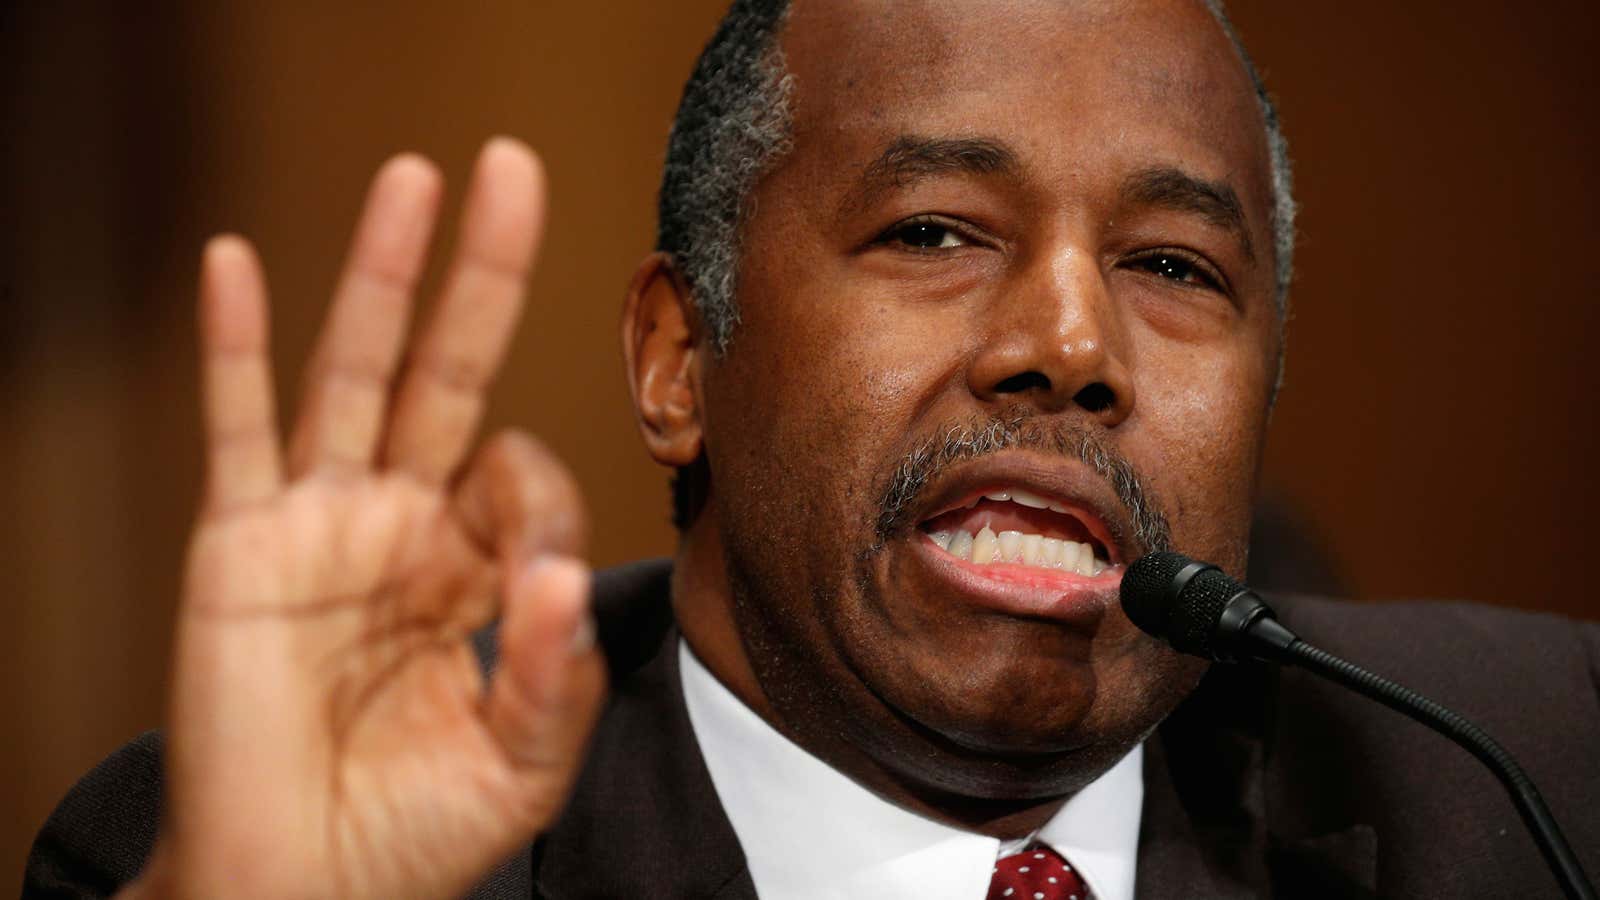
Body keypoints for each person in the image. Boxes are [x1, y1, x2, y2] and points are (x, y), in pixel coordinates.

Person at [23, 0, 1600, 898]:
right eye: (933, 229)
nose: (1067, 340)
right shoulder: (295, 857)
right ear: (678, 359)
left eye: (1175, 267)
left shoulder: (1529, 785)